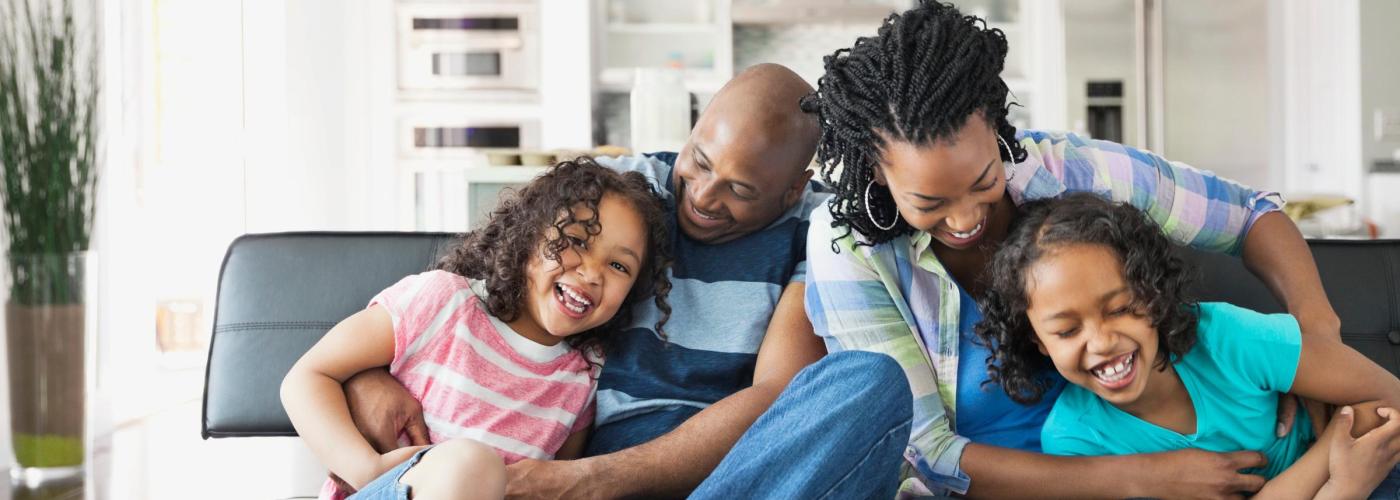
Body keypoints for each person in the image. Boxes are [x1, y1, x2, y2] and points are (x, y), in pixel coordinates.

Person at [800, 1, 1345, 497]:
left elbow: (1252, 216)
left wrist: (1317, 347)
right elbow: (926, 451)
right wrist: (1144, 478)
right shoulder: (849, 247)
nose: (965, 218)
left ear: (995, 125)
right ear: (877, 171)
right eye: (930, 201)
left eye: (983, 179)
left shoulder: (1071, 172)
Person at [337, 63, 916, 498]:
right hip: (588, 447)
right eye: (701, 160)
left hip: (727, 471)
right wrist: (369, 376)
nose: (703, 198)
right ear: (695, 127)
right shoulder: (623, 186)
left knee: (871, 384)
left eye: (741, 190)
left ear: (794, 186)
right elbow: (472, 294)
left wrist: (590, 480)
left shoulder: (817, 231)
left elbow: (773, 397)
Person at [280, 158, 673, 500]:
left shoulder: (583, 374)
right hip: (385, 491)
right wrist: (365, 468)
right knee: (472, 464)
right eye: (576, 240)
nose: (592, 273)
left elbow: (555, 485)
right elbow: (307, 377)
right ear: (529, 233)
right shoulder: (442, 301)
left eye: (619, 266)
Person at [977, 193, 1400, 499]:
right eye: (1067, 331)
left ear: (1151, 291)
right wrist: (1341, 484)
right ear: (1040, 343)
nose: (1102, 342)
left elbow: (1388, 396)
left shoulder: (1225, 338)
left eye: (1121, 308)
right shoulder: (1074, 442)